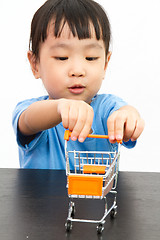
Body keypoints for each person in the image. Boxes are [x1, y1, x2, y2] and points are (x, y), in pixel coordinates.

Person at [12, 0, 144, 169]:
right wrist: (60, 108)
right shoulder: (30, 110)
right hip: (42, 196)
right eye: (62, 57)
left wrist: (128, 119)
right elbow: (28, 122)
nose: (77, 70)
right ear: (35, 64)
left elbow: (126, 113)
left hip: (97, 196)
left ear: (105, 64)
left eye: (90, 58)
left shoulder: (108, 107)